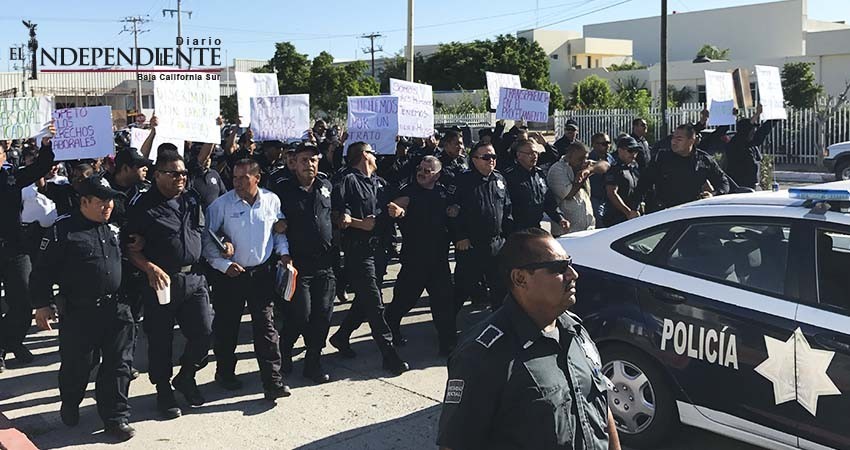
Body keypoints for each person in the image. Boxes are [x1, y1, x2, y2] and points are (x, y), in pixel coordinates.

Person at [437, 227, 621, 450]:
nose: (573, 274)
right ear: (520, 278)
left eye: (570, 264)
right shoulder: (482, 355)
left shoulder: (575, 331)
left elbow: (599, 406)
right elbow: (456, 444)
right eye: (559, 268)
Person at [30, 175, 136, 441]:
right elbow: (41, 272)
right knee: (79, 366)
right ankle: (71, 400)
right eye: (101, 201)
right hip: (80, 312)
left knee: (119, 365)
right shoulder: (62, 230)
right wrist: (43, 304)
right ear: (84, 201)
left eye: (110, 200)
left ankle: (115, 417)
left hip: (116, 308)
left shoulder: (113, 228)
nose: (108, 206)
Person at [123, 150, 212, 419]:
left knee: (204, 333)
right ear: (157, 175)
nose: (180, 178)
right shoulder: (142, 205)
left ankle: (186, 376)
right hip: (161, 282)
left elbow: (201, 233)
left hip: (194, 279)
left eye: (183, 173)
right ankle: (163, 390)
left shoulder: (192, 199)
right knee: (161, 340)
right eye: (174, 173)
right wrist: (149, 267)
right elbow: (130, 248)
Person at [203, 159, 291, 399]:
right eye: (234, 178)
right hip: (231, 276)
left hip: (261, 274)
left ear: (257, 178)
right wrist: (223, 265)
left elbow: (278, 232)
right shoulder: (220, 206)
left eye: (244, 178)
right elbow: (208, 242)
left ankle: (273, 381)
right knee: (227, 327)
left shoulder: (271, 200)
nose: (238, 183)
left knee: (266, 327)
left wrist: (284, 254)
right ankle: (225, 372)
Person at [329, 142, 409, 375]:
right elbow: (336, 214)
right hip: (359, 251)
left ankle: (341, 336)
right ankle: (388, 353)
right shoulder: (347, 180)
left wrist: (399, 210)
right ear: (365, 155)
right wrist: (358, 223)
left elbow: (398, 200)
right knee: (374, 302)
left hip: (380, 251)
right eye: (373, 152)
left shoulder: (380, 183)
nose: (376, 156)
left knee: (365, 299)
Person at [273, 143, 336, 384]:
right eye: (303, 160)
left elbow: (334, 214)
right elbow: (274, 221)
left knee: (323, 315)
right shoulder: (283, 190)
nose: (308, 164)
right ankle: (285, 349)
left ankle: (313, 362)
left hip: (325, 263)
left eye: (312, 159)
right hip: (297, 264)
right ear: (294, 163)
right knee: (301, 314)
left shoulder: (326, 186)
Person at [384, 156, 457, 355]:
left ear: (437, 175)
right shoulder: (409, 192)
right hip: (415, 259)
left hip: (438, 259)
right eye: (420, 169)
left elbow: (452, 210)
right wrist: (398, 211)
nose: (422, 173)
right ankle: (389, 330)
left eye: (428, 171)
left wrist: (454, 210)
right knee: (404, 300)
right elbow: (396, 206)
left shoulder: (442, 193)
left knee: (443, 302)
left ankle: (447, 343)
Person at [0, 126, 55, 372]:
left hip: (14, 248)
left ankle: (12, 341)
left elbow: (40, 168)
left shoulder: (12, 177)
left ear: (4, 154)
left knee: (23, 302)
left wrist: (44, 145)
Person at [449, 142, 512, 310]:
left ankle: (500, 329)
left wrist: (508, 239)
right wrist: (460, 236)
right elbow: (451, 213)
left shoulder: (499, 179)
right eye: (486, 157)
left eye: (493, 157)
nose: (490, 160)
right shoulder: (463, 181)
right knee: (462, 289)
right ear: (474, 159)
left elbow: (507, 210)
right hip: (471, 245)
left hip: (496, 244)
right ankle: (446, 331)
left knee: (501, 290)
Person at [635, 123, 730, 212]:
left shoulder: (704, 160)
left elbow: (723, 182)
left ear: (691, 141)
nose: (673, 142)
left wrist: (713, 195)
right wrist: (635, 207)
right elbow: (643, 183)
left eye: (679, 139)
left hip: (691, 212)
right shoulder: (661, 158)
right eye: (673, 138)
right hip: (665, 212)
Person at [503, 139, 570, 232]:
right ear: (519, 155)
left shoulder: (539, 174)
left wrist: (560, 218)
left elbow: (548, 200)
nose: (534, 156)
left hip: (535, 227)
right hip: (517, 230)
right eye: (530, 153)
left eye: (536, 153)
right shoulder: (510, 176)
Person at [547, 142, 609, 235]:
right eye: (580, 159)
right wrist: (582, 178)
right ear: (569, 156)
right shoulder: (557, 169)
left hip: (588, 229)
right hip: (567, 231)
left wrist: (589, 170)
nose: (584, 162)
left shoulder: (584, 165)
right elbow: (569, 194)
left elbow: (606, 165)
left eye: (586, 158)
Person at [725, 105, 776, 190]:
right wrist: (757, 113)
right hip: (738, 186)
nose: (753, 132)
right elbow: (745, 131)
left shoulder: (751, 145)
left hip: (751, 185)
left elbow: (762, 133)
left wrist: (774, 119)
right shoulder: (736, 143)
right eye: (751, 130)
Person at [603, 136, 643, 227]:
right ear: (620, 150)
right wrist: (627, 212)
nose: (633, 154)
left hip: (632, 215)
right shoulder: (614, 168)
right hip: (616, 217)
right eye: (630, 150)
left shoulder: (634, 166)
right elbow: (611, 193)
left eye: (636, 151)